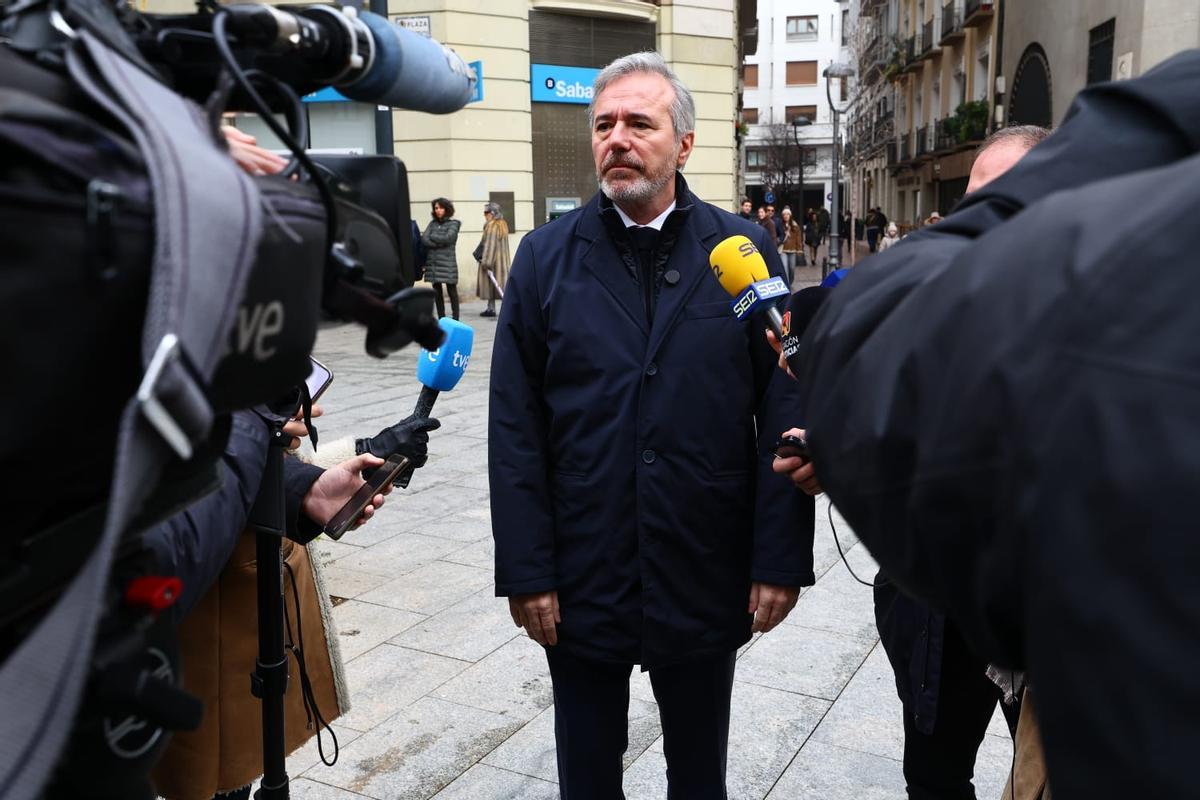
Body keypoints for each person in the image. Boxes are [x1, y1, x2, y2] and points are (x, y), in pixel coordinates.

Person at [789, 52, 1200, 799]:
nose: (976, 228)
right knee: (933, 774)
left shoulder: (1121, 321)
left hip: (1046, 637)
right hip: (935, 617)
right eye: (969, 206)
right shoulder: (960, 309)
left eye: (1000, 204)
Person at [489, 51, 813, 800]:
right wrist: (527, 569)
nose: (617, 138)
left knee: (700, 778)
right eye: (604, 125)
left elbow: (786, 404)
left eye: (639, 122)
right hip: (581, 569)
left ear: (685, 144)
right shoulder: (544, 259)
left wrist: (779, 556)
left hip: (705, 562)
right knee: (588, 779)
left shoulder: (743, 250)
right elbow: (515, 424)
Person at [775, 125, 1051, 800]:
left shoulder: (1104, 314)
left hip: (1048, 613)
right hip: (939, 603)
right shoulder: (930, 300)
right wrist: (834, 453)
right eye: (975, 199)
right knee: (932, 778)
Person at [421, 197, 461, 320]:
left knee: (452, 292)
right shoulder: (432, 224)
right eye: (436, 208)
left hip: (448, 264)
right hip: (433, 264)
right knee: (437, 293)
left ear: (447, 209)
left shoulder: (453, 224)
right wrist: (439, 242)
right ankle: (441, 318)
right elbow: (424, 240)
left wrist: (433, 237)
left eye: (441, 208)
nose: (438, 210)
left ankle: (455, 319)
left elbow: (449, 238)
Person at [473, 202, 511, 317]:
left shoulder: (492, 226)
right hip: (501, 262)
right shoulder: (502, 224)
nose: (485, 215)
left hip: (493, 262)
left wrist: (486, 262)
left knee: (494, 286)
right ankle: (491, 308)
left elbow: (490, 245)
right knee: (497, 287)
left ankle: (495, 309)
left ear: (493, 213)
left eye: (486, 212)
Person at [780, 206, 803, 284]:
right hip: (783, 250)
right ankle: (787, 284)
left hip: (792, 250)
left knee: (792, 268)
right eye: (784, 214)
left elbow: (798, 238)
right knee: (785, 267)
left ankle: (790, 281)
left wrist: (799, 249)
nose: (786, 216)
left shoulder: (795, 226)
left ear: (790, 215)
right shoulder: (780, 225)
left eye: (787, 214)